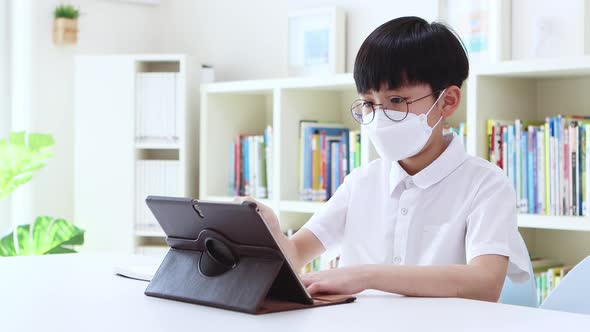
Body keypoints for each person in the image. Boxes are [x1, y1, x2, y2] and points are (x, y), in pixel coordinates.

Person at [236, 16, 530, 302]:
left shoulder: (486, 184)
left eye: (397, 101)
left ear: (447, 101)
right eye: (368, 103)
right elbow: (297, 254)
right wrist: (270, 232)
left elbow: (484, 283)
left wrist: (367, 276)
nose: (378, 117)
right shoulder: (362, 181)